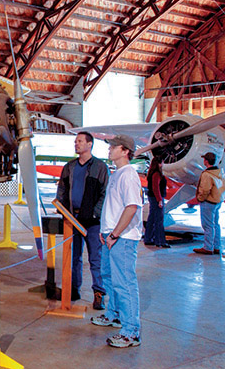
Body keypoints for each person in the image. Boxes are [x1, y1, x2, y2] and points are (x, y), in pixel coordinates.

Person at [91, 134, 143, 348]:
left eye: (114, 147)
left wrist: (114, 235)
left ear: (125, 151)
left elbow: (131, 207)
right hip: (111, 237)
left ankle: (131, 332)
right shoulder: (117, 173)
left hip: (122, 239)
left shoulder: (129, 175)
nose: (109, 149)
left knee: (125, 284)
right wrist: (106, 232)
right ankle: (114, 315)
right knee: (109, 278)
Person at [56, 131, 109, 310]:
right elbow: (62, 190)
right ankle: (73, 290)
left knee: (96, 258)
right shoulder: (69, 167)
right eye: (75, 141)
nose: (76, 144)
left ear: (89, 144)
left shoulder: (100, 167)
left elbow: (104, 194)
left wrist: (95, 213)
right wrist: (63, 211)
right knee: (73, 258)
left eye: (79, 141)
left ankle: (99, 294)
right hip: (72, 219)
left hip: (92, 222)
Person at [193, 152, 224, 255]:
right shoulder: (220, 172)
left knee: (207, 225)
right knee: (216, 224)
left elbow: (205, 189)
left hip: (208, 202)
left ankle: (208, 247)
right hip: (217, 200)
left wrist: (200, 198)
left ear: (206, 161)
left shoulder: (207, 174)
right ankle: (217, 246)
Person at [145, 157, 170, 248]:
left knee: (151, 218)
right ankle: (160, 241)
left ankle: (148, 238)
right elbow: (156, 188)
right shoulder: (156, 174)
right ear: (160, 163)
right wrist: (159, 200)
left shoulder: (151, 173)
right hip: (156, 198)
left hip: (152, 197)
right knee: (159, 220)